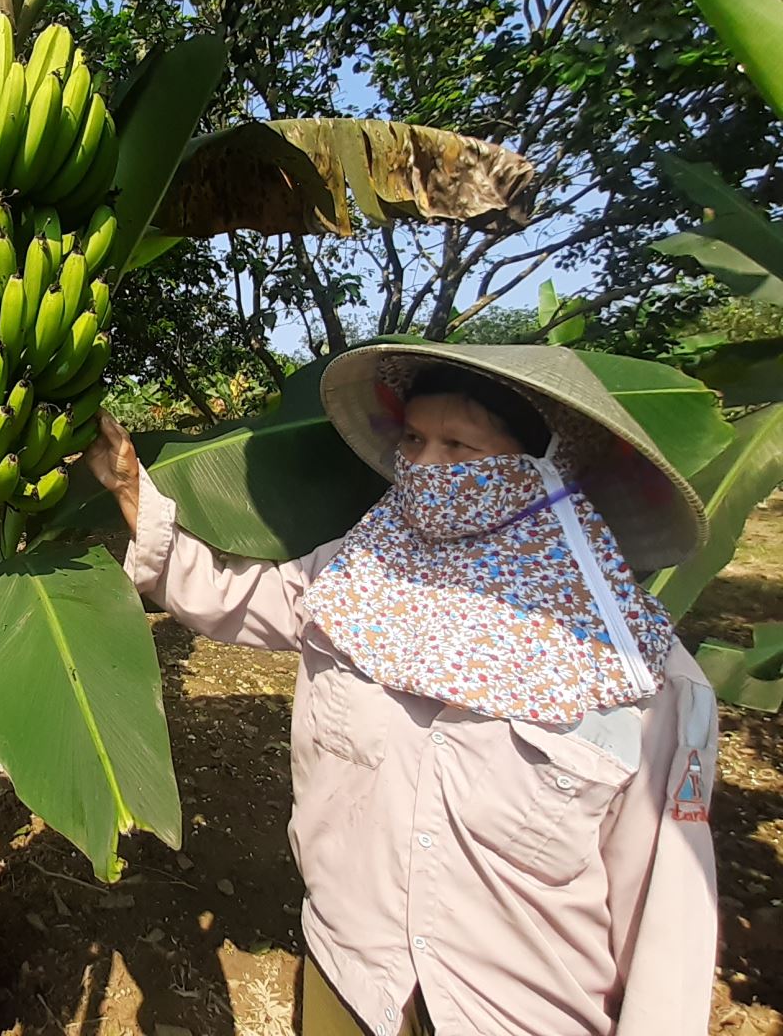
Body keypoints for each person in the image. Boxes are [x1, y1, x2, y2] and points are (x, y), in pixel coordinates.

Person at [86, 343, 720, 1036]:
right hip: (352, 976)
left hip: (520, 1015)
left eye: (461, 446)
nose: (424, 467)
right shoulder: (359, 573)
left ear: (548, 466)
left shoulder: (636, 675)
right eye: (414, 439)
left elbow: (667, 917)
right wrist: (132, 494)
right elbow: (237, 597)